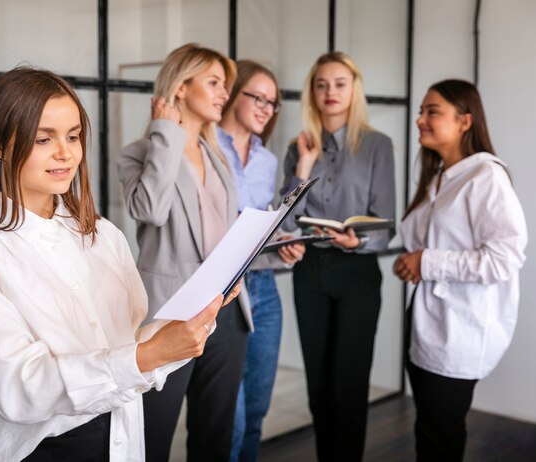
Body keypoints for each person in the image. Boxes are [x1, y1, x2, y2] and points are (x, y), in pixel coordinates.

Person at [0, 67, 236, 462]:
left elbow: (129, 344)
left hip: (123, 440)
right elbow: (18, 388)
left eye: (73, 136)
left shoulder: (103, 234)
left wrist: (190, 322)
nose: (66, 153)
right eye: (44, 139)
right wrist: (147, 356)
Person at [117, 44, 253, 462]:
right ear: (180, 85)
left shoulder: (218, 157)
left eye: (225, 86)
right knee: (153, 434)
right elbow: (149, 210)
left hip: (226, 309)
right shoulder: (139, 153)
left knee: (215, 432)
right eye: (213, 83)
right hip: (169, 315)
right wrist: (165, 132)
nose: (223, 94)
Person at [394, 79, 527, 462]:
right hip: (426, 322)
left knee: (440, 437)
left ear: (465, 121)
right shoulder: (441, 178)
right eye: (421, 111)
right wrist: (414, 262)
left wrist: (426, 262)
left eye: (431, 111)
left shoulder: (486, 178)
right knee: (431, 431)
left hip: (458, 331)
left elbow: (505, 257)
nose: (420, 119)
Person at [279, 51, 396, 461]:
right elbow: (287, 218)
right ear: (312, 91)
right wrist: (304, 165)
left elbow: (385, 224)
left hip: (356, 272)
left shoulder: (378, 145)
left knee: (348, 386)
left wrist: (357, 242)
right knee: (318, 386)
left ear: (353, 89)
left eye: (339, 83)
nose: (330, 92)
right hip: (310, 271)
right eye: (322, 84)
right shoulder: (300, 147)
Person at [217, 60, 305, 462]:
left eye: (273, 103)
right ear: (234, 93)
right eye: (258, 97)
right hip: (221, 291)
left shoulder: (267, 161)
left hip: (264, 287)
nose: (266, 108)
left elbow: (264, 222)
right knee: (227, 420)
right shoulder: (206, 146)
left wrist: (282, 240)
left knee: (256, 411)